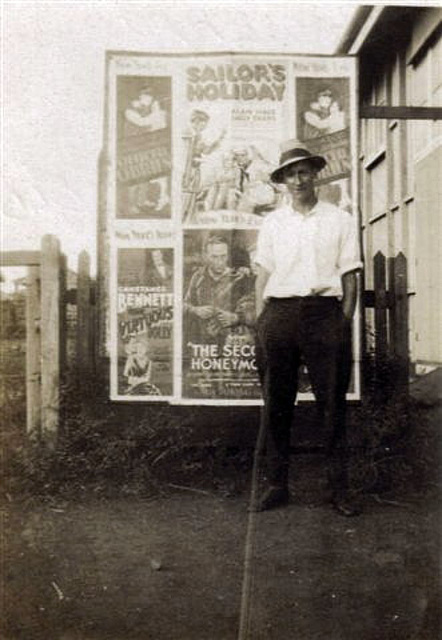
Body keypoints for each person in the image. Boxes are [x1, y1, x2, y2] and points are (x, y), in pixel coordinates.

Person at [253, 139, 363, 516]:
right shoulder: (272, 223)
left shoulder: (339, 219)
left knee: (332, 405)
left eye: (303, 171)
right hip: (279, 315)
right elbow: (262, 274)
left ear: (316, 173)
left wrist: (342, 322)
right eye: (290, 174)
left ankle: (338, 490)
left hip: (323, 315)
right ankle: (277, 485)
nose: (297, 180)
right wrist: (261, 320)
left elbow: (351, 275)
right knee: (278, 404)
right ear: (282, 181)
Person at [184, 234, 251, 346]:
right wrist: (195, 310)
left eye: (223, 256)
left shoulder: (240, 278)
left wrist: (237, 318)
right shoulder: (198, 276)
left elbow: (255, 309)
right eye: (214, 257)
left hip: (232, 344)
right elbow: (183, 304)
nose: (219, 261)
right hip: (203, 343)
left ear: (228, 255)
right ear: (206, 256)